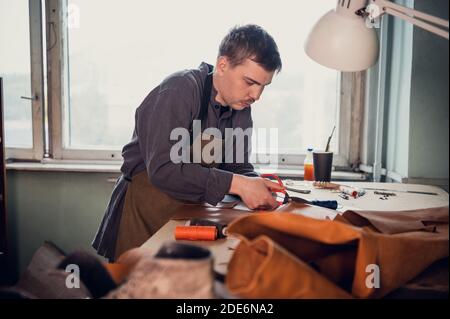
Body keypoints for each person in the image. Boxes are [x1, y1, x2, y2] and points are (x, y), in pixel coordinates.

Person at [93, 24, 284, 261]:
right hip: (146, 208)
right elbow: (164, 170)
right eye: (249, 82)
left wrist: (256, 183)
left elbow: (237, 167)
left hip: (187, 211)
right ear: (223, 65)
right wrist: (239, 184)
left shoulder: (240, 107)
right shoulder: (180, 90)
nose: (256, 96)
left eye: (263, 86)